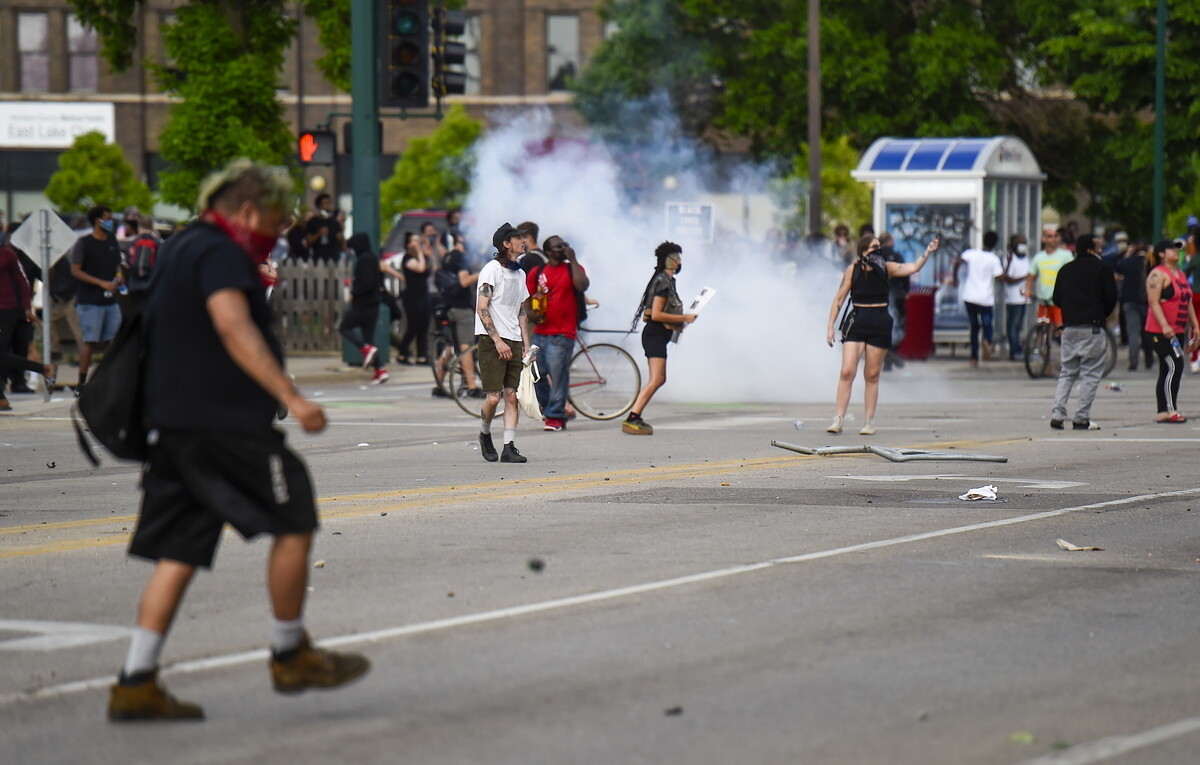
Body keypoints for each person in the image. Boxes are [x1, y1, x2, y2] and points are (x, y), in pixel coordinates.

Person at [106, 158, 369, 722]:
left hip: (172, 428)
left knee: (178, 551)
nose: (276, 237)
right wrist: (292, 397)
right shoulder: (221, 253)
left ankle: (135, 680)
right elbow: (231, 323)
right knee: (294, 516)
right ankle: (288, 652)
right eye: (274, 223)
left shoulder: (182, 246)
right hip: (221, 427)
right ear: (248, 211)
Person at [825, 233, 938, 435]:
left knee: (872, 374)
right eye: (872, 247)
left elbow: (913, 267)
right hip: (857, 319)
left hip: (879, 319)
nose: (877, 251)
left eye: (878, 246)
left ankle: (869, 421)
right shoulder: (853, 270)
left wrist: (928, 251)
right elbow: (839, 299)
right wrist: (830, 327)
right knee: (847, 371)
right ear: (862, 251)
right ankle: (838, 418)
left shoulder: (887, 268)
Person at [623, 242, 698, 435]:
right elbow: (656, 314)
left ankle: (635, 416)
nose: (680, 262)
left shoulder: (667, 281)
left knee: (659, 378)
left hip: (659, 335)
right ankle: (633, 417)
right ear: (670, 261)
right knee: (657, 379)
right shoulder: (663, 282)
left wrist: (680, 322)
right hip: (655, 334)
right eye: (678, 258)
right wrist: (684, 318)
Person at [475, 223, 534, 463]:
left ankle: (509, 446)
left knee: (512, 395)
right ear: (506, 244)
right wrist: (497, 341)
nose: (524, 241)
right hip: (492, 341)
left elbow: (522, 312)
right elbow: (482, 308)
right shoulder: (492, 270)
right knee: (493, 397)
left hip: (515, 339)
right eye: (518, 238)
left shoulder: (520, 274)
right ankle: (485, 433)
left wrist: (527, 345)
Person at [1048, 234, 1118, 430]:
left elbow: (1056, 299)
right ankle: (1081, 417)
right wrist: (1100, 313)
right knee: (1090, 373)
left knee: (1067, 372)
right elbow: (1111, 297)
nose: (1100, 250)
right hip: (1093, 327)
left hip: (1069, 327)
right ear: (1090, 249)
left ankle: (1057, 414)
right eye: (1097, 247)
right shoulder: (1102, 268)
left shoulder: (1066, 269)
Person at [526, 235, 590, 431]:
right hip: (541, 331)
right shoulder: (538, 273)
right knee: (536, 374)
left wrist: (572, 259)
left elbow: (582, 285)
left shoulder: (573, 269)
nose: (563, 248)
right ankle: (549, 407)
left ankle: (555, 416)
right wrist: (531, 314)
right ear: (548, 252)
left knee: (558, 374)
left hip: (563, 333)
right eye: (558, 246)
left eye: (565, 245)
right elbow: (527, 298)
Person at [69, 205, 124, 392]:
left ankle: (112, 379)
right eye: (106, 218)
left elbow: (117, 264)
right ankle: (81, 383)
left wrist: (118, 276)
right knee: (90, 342)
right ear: (96, 221)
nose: (110, 222)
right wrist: (101, 283)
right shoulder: (84, 243)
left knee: (115, 339)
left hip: (110, 299)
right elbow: (76, 270)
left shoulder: (112, 239)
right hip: (89, 301)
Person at [1145, 240, 1200, 423]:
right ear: (1162, 254)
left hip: (1177, 330)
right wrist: (1164, 325)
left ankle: (1164, 411)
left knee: (1171, 367)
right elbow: (1153, 302)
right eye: (1172, 249)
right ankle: (1169, 409)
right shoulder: (1157, 275)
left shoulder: (1181, 274)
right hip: (1159, 331)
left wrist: (1195, 326)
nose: (1177, 251)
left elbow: (1188, 301)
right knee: (1173, 365)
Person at [0, 241, 56, 410]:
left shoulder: (7, 254)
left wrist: (26, 307)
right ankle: (44, 369)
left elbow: (22, 281)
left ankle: (44, 369)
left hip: (7, 308)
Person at [338, 233, 388, 384]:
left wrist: (354, 291)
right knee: (369, 339)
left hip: (362, 304)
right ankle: (380, 370)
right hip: (374, 305)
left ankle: (364, 349)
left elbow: (366, 283)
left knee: (344, 328)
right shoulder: (373, 258)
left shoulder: (363, 260)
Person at [436, 235, 480, 398]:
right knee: (465, 346)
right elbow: (464, 281)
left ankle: (439, 384)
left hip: (447, 306)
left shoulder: (447, 257)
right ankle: (471, 384)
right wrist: (482, 273)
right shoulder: (461, 258)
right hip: (461, 308)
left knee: (449, 346)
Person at [953, 231, 1004, 366]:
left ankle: (974, 357)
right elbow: (1000, 277)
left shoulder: (971, 253)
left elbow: (957, 262)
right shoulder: (994, 259)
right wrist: (1008, 265)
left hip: (969, 296)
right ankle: (987, 340)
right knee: (987, 324)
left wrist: (955, 278)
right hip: (985, 298)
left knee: (974, 328)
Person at [1024, 225, 1074, 331]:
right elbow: (1031, 277)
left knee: (1060, 327)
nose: (1055, 238)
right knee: (1040, 328)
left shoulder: (1065, 255)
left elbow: (1072, 274)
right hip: (1044, 299)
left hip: (1058, 300)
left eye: (1056, 236)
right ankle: (1038, 347)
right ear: (1044, 239)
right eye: (1050, 236)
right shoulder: (1039, 257)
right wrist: (1028, 290)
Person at [1114, 241, 1153, 371]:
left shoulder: (1128, 262)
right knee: (1146, 332)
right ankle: (1149, 360)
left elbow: (1118, 268)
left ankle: (1133, 362)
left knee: (1133, 332)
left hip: (1129, 300)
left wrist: (1127, 255)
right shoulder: (1150, 263)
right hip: (1147, 301)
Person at [395, 232, 431, 364]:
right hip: (412, 296)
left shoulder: (421, 256)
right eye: (414, 241)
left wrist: (425, 249)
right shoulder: (407, 258)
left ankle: (421, 355)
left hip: (423, 294)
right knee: (413, 326)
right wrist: (420, 252)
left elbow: (429, 267)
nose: (417, 243)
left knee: (424, 326)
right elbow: (420, 268)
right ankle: (402, 352)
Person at [877, 232, 908, 371]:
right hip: (895, 294)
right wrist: (905, 291)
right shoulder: (897, 257)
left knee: (881, 328)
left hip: (878, 295)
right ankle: (890, 354)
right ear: (889, 241)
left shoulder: (874, 257)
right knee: (896, 326)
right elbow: (904, 274)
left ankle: (887, 357)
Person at [1000, 234, 1031, 360]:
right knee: (1013, 325)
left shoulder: (1026, 259)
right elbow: (1007, 279)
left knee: (1018, 326)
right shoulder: (1009, 259)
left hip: (1024, 297)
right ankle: (1014, 351)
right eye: (1020, 243)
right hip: (1013, 298)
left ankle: (1018, 348)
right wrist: (1025, 277)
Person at [125, 215, 162, 312]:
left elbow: (128, 264)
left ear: (139, 227)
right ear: (152, 227)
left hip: (134, 285)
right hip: (152, 286)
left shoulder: (133, 243)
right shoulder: (159, 244)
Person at [305, 193, 342, 264]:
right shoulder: (312, 222)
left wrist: (340, 238)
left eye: (329, 204)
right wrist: (319, 234)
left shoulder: (334, 222)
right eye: (325, 204)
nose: (328, 206)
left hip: (333, 257)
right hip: (318, 257)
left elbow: (341, 244)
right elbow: (308, 242)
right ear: (319, 206)